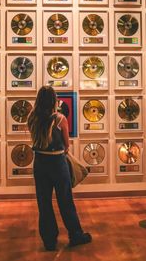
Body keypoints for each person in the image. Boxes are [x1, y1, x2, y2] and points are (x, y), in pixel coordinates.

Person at [28, 86, 92, 251]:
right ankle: (76, 235)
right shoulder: (60, 119)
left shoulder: (32, 117)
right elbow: (66, 145)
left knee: (44, 202)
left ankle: (49, 241)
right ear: (54, 101)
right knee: (65, 201)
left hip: (40, 163)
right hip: (57, 162)